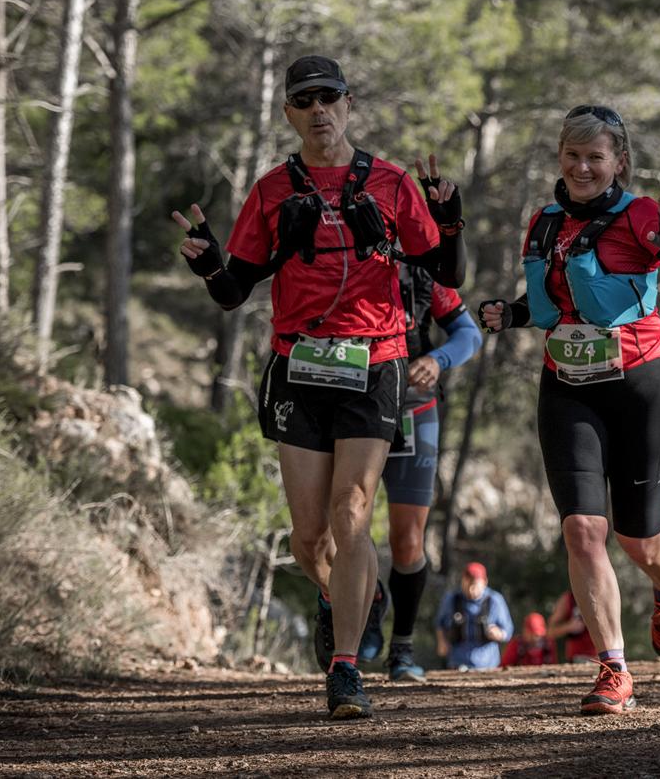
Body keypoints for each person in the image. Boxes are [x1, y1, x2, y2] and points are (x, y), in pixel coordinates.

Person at [172, 54, 466, 720]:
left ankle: (345, 669)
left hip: (375, 361)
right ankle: (359, 596)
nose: (318, 111)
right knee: (310, 536)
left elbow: (446, 270)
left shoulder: (391, 184)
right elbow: (233, 292)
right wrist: (211, 262)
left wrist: (450, 220)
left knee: (352, 512)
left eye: (328, 97)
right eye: (303, 101)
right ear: (288, 113)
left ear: (348, 103)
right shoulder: (273, 190)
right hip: (297, 366)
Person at [477, 104, 660, 715]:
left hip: (642, 387)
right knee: (582, 531)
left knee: (638, 540)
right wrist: (508, 314)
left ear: (620, 162)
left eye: (596, 157)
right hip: (567, 385)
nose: (583, 168)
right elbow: (550, 301)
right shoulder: (543, 223)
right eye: (572, 156)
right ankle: (613, 668)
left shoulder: (641, 216)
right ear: (559, 158)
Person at [366, 264, 483, 681]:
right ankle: (368, 599)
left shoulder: (421, 273)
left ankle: (401, 647)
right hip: (353, 404)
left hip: (413, 406)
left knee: (408, 538)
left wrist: (437, 359)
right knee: (342, 524)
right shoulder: (337, 257)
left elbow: (470, 334)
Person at [434, 562, 514, 670]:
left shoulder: (495, 600)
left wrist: (499, 634)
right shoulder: (452, 599)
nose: (470, 588)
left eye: (474, 583)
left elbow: (508, 631)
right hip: (456, 664)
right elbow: (439, 623)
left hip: (488, 665)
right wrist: (441, 641)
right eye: (467, 582)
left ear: (485, 582)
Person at [545, 589, 597, 664]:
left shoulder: (601, 593)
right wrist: (569, 626)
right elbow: (550, 632)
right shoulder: (569, 598)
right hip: (578, 657)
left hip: (602, 657)